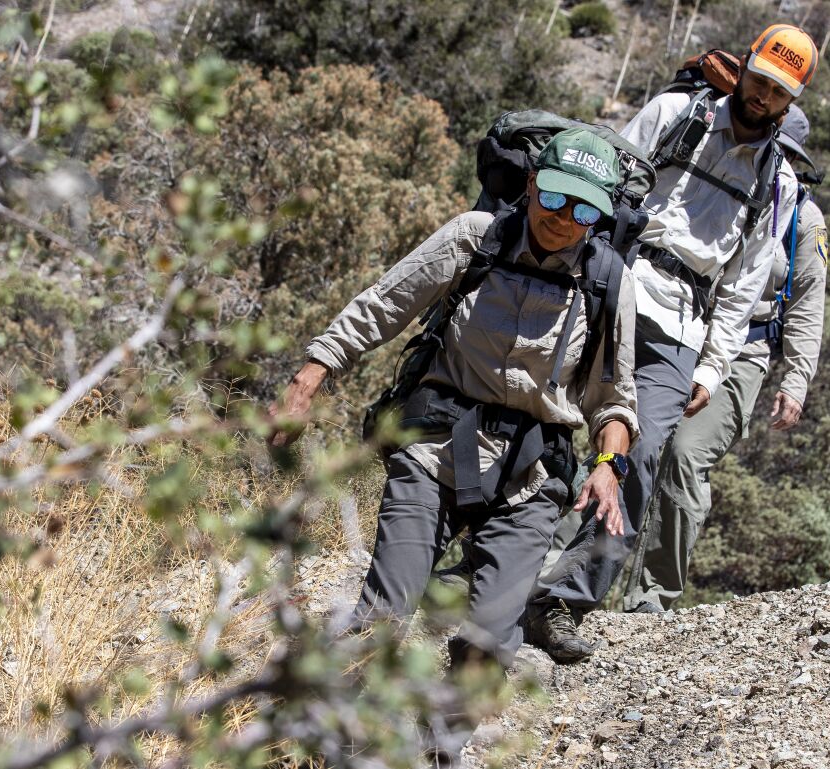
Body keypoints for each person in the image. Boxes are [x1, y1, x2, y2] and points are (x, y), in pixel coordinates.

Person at [269, 128, 639, 763]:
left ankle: (439, 751)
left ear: (601, 215)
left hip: (530, 475)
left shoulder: (608, 281)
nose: (562, 218)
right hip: (435, 450)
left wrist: (608, 463)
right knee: (387, 611)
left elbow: (614, 398)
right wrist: (313, 371)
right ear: (530, 186)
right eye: (553, 197)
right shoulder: (475, 238)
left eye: (584, 209)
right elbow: (383, 305)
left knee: (491, 640)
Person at [524, 23, 819, 663]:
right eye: (761, 80)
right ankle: (494, 557)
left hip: (684, 317)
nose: (764, 96)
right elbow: (601, 189)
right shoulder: (674, 113)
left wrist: (712, 370)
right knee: (533, 412)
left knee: (643, 453)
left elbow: (743, 285)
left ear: (792, 103)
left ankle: (561, 601)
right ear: (745, 69)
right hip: (612, 280)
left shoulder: (779, 183)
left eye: (779, 93)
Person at [625, 104, 829, 614]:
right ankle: (564, 576)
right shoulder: (712, 172)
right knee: (627, 438)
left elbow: (807, 302)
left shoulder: (802, 218)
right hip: (678, 323)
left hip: (744, 353)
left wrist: (797, 380)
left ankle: (652, 597)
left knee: (686, 456)